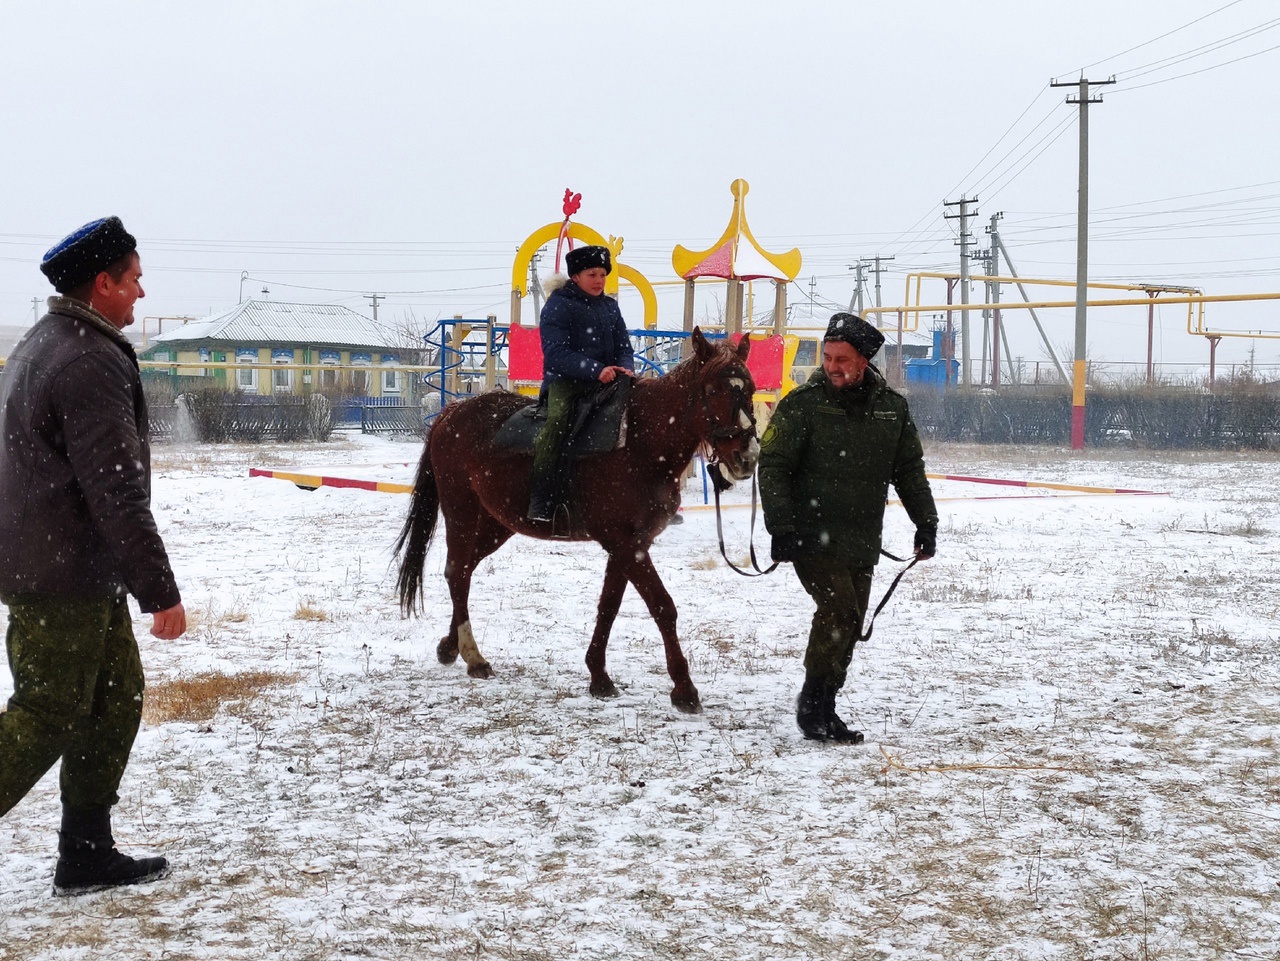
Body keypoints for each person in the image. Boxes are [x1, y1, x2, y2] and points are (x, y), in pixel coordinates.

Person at [0, 216, 187, 894]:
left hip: (70, 564)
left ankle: (85, 849)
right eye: (134, 277)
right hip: (60, 572)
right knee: (47, 709)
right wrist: (159, 588)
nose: (142, 290)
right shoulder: (84, 358)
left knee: (114, 700)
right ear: (102, 282)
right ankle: (83, 848)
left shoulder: (53, 342)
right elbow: (115, 488)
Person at [759, 312, 938, 744]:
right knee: (839, 612)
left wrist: (926, 521)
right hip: (809, 534)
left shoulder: (891, 409)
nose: (832, 366)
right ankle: (811, 705)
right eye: (827, 357)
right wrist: (781, 528)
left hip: (860, 537)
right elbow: (774, 466)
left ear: (864, 361)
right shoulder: (801, 405)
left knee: (852, 621)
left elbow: (909, 470)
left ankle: (826, 705)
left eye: (842, 358)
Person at [528, 244, 635, 523]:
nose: (599, 281)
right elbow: (555, 354)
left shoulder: (610, 307)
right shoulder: (558, 305)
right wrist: (595, 370)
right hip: (566, 382)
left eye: (603, 274)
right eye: (592, 274)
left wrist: (626, 367)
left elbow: (624, 346)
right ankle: (542, 496)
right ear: (575, 277)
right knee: (558, 421)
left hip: (610, 379)